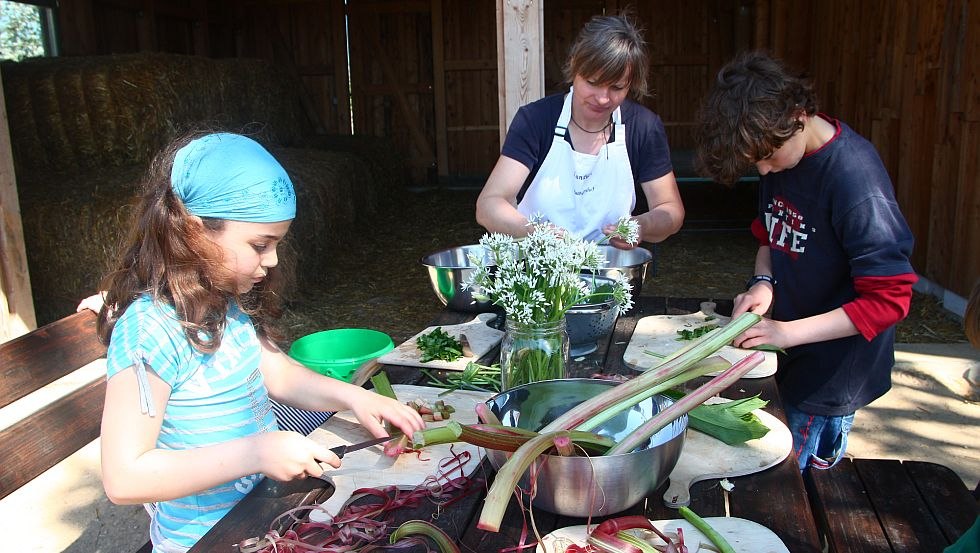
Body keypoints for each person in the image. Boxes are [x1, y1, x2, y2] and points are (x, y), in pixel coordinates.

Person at [95, 131, 425, 552]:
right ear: (194, 231)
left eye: (276, 245)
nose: (271, 261)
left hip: (265, 512)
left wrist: (354, 397)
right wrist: (256, 452)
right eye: (259, 245)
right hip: (210, 537)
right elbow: (124, 478)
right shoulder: (150, 331)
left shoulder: (220, 303)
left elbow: (279, 373)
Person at [695, 52, 918, 472]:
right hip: (792, 351)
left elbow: (890, 300)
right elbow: (770, 233)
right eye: (754, 162)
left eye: (767, 156)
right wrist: (764, 282)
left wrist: (784, 331)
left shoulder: (855, 180)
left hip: (833, 372)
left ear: (798, 114)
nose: (762, 169)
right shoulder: (779, 148)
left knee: (786, 485)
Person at [475, 13, 684, 249]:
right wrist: (535, 233)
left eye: (616, 87)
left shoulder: (643, 127)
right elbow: (488, 204)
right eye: (593, 82)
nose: (603, 98)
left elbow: (671, 210)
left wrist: (641, 225)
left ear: (631, 83)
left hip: (610, 275)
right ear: (575, 66)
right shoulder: (536, 120)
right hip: (538, 271)